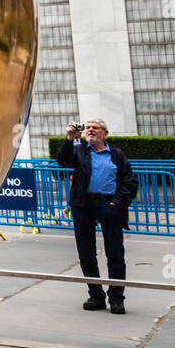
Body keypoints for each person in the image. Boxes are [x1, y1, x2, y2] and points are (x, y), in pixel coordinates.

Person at [57, 119, 138, 314]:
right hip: (83, 205)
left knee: (115, 253)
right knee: (86, 253)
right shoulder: (80, 151)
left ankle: (117, 297)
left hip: (109, 205)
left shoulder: (117, 155)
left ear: (105, 133)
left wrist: (117, 203)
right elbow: (62, 160)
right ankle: (96, 295)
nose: (90, 130)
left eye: (95, 128)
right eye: (88, 128)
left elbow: (130, 182)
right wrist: (69, 138)